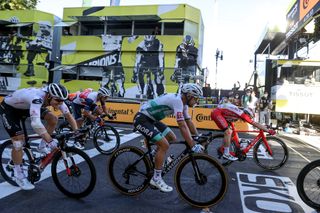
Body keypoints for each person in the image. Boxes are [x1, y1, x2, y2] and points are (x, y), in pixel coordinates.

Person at [0, 83, 78, 190]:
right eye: (58, 101)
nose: (60, 103)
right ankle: (19, 176)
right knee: (18, 142)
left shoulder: (57, 98)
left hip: (26, 106)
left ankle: (42, 146)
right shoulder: (37, 97)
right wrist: (50, 141)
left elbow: (68, 115)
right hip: (9, 109)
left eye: (62, 101)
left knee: (53, 119)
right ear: (49, 96)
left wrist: (77, 132)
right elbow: (36, 124)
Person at [133, 83, 204, 192]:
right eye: (196, 98)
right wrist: (192, 144)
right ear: (189, 96)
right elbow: (182, 125)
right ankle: (156, 178)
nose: (197, 101)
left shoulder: (183, 104)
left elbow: (188, 121)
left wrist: (197, 136)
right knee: (164, 145)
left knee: (171, 137)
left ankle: (155, 156)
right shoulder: (177, 101)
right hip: (142, 119)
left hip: (152, 119)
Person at [210, 101, 276, 161]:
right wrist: (268, 130)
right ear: (248, 114)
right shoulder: (243, 115)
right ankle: (226, 153)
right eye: (250, 117)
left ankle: (226, 148)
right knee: (228, 132)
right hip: (217, 113)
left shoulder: (239, 113)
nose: (247, 120)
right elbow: (255, 123)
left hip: (219, 112)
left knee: (231, 131)